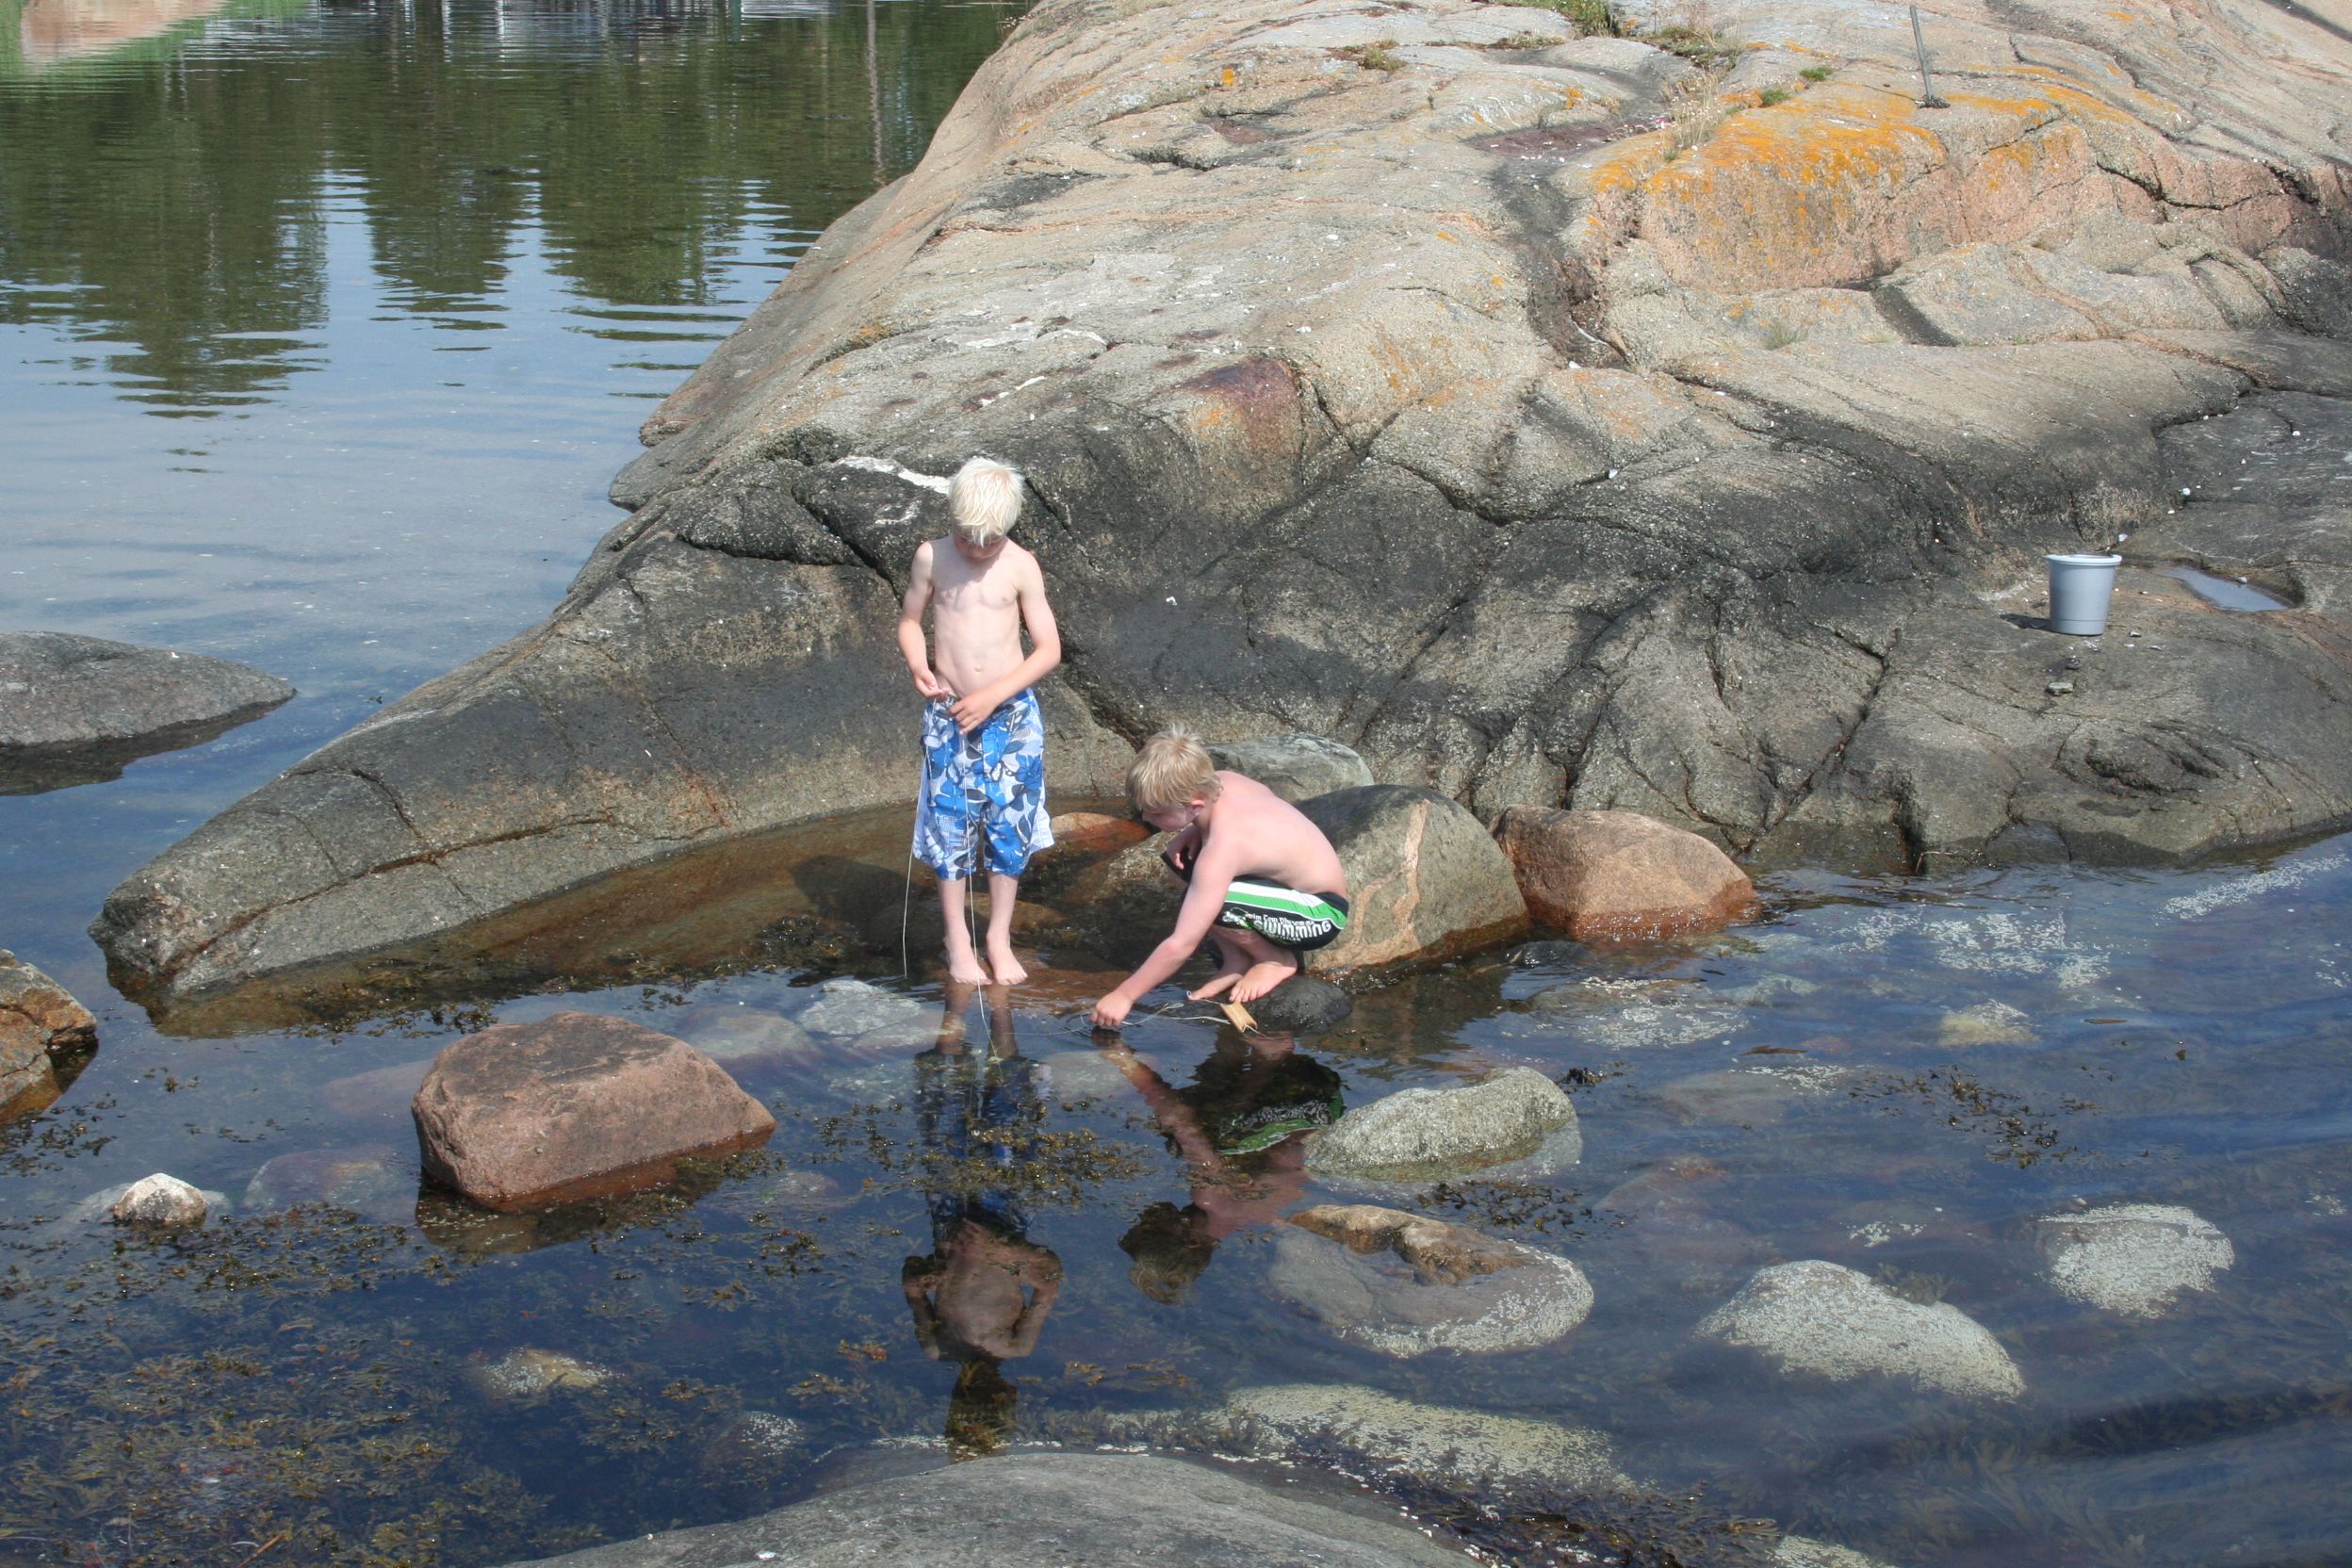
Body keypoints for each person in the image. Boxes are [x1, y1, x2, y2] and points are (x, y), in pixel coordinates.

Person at [896, 457, 1061, 987]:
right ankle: (958, 941)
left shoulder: (1019, 565)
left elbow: (1049, 650)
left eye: (988, 541)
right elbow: (909, 622)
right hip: (950, 715)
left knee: (1009, 825)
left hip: (1010, 715)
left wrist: (992, 696)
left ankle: (998, 937)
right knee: (951, 826)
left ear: (1008, 529)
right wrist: (920, 665)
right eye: (966, 537)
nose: (975, 549)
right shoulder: (933, 557)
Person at [1089, 728, 1348, 1029]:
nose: (1146, 819)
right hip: (1289, 893)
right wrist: (1193, 830)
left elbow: (1181, 945)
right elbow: (1262, 801)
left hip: (1320, 913)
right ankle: (1236, 959)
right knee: (1180, 864)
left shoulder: (1224, 847)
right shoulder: (1224, 780)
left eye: (1157, 813)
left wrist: (1124, 995)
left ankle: (1274, 960)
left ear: (1195, 805)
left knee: (1212, 897)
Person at [901, 981, 1062, 1459]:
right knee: (1009, 1121)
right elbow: (1051, 1283)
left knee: (943, 1118)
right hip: (1004, 1219)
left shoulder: (937, 1346)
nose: (983, 1390)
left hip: (950, 1220)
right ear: (1007, 1396)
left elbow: (911, 1280)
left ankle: (957, 1000)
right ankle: (999, 1003)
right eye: (989, 1400)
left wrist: (934, 1272)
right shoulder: (1016, 1347)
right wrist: (1005, 1252)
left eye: (970, 1399)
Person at [1099, 1025, 1339, 1303]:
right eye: (1153, 1228)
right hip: (1300, 1098)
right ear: (1190, 1241)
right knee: (1191, 1121)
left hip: (1323, 1116)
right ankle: (1268, 1054)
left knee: (1211, 1133)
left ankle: (1234, 1038)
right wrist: (1124, 1062)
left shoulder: (1257, 1219)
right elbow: (1181, 1121)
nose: (1146, 1218)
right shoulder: (1210, 1199)